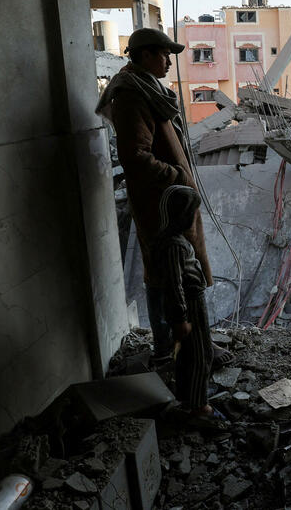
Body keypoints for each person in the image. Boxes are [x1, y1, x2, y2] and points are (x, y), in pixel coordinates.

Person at [95, 28, 233, 367]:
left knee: (188, 274)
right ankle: (172, 349)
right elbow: (136, 156)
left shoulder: (150, 89)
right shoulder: (130, 97)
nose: (169, 62)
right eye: (163, 54)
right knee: (167, 276)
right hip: (161, 205)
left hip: (174, 201)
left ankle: (197, 344)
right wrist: (178, 178)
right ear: (143, 56)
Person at [149, 185, 226, 422]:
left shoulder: (174, 241)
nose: (194, 219)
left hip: (191, 304)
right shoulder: (174, 246)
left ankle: (192, 395)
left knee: (190, 354)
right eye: (192, 214)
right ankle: (198, 408)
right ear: (182, 216)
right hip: (190, 306)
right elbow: (174, 285)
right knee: (199, 354)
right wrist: (181, 318)